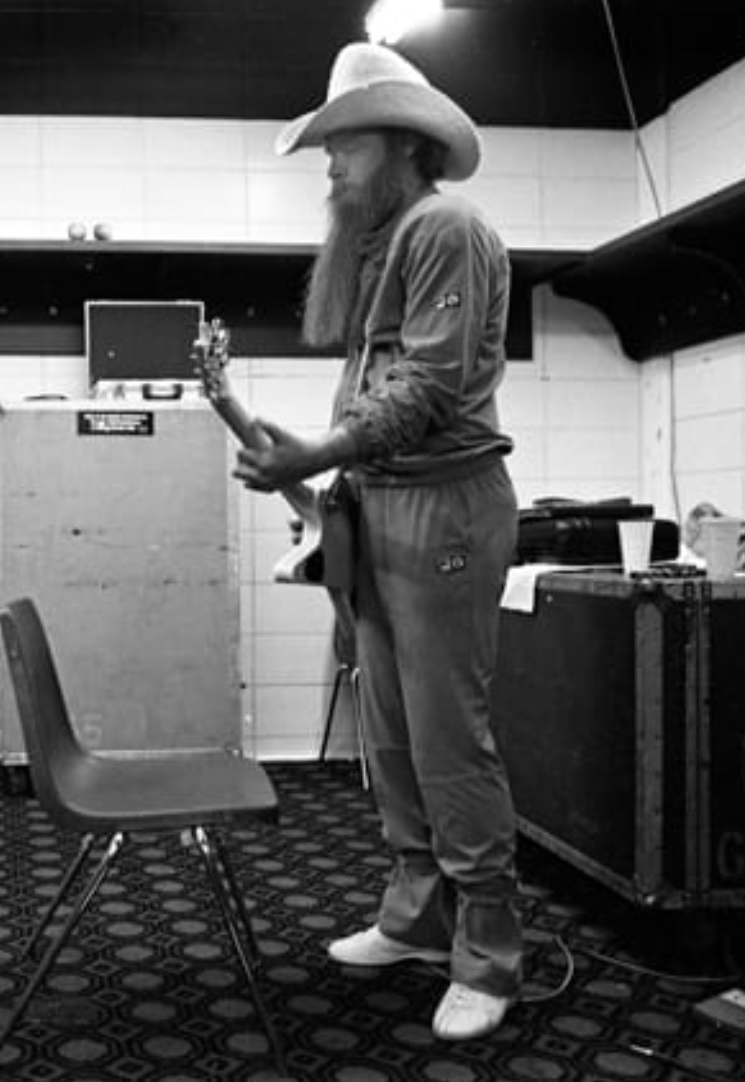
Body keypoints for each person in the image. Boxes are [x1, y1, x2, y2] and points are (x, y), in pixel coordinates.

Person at [232, 43, 523, 1040]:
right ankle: (416, 920)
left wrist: (319, 448)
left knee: (448, 741)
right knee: (392, 734)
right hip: (384, 503)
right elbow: (376, 388)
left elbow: (428, 389)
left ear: (399, 141)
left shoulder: (444, 224)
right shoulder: (390, 236)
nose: (328, 167)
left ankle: (488, 953)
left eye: (340, 146)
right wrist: (324, 485)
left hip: (444, 507)